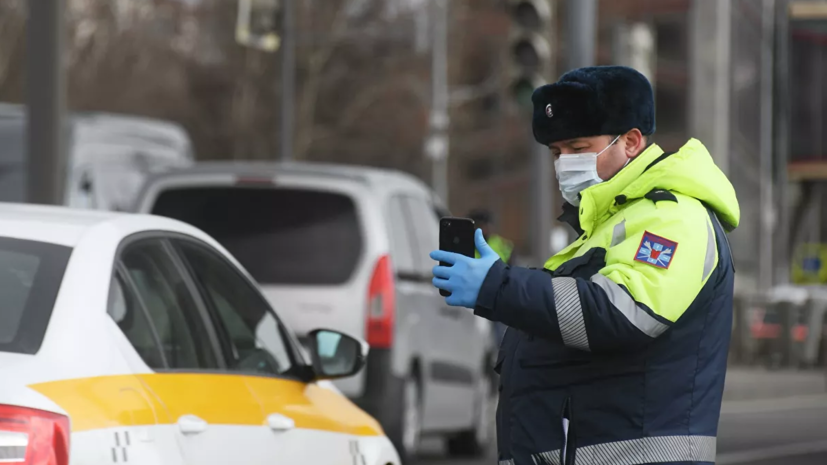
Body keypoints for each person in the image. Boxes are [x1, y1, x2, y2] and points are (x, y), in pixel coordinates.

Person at [430, 66, 740, 465]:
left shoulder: (673, 217)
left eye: (577, 149)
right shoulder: (604, 223)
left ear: (630, 142)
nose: (564, 164)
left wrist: (499, 287)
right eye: (557, 153)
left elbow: (622, 312)